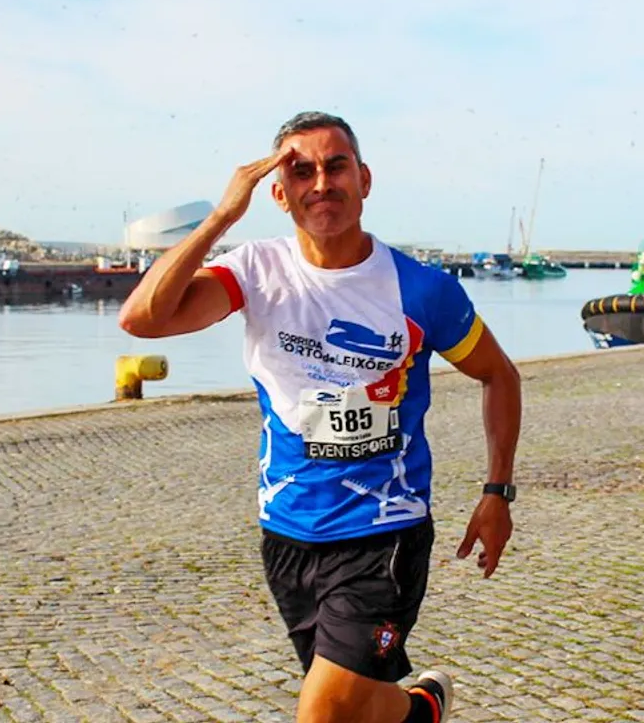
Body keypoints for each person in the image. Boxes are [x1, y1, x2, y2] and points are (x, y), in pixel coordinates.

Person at [118, 111, 523, 723]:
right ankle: (419, 712)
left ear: (364, 178)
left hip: (384, 530)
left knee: (322, 715)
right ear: (278, 194)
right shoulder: (254, 272)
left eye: (336, 166)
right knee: (355, 707)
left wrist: (497, 491)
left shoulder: (423, 290)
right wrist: (223, 217)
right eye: (300, 171)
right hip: (288, 531)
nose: (321, 183)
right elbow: (143, 318)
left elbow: (499, 375)